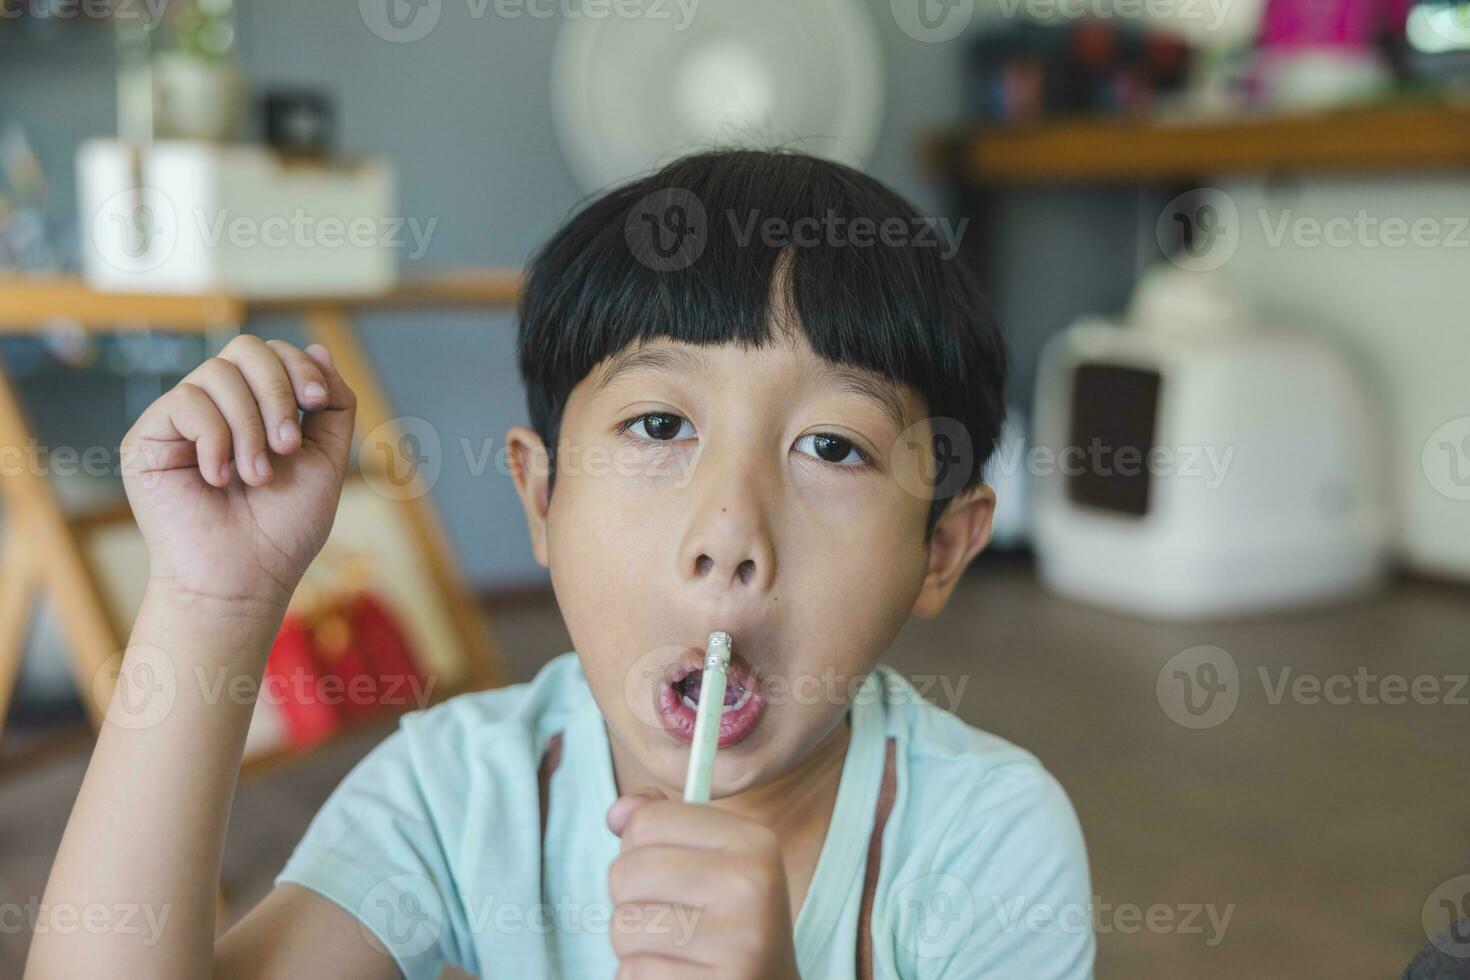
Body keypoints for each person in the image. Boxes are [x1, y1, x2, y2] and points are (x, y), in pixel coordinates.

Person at [28, 149, 1094, 979]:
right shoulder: (460, 794)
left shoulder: (986, 841)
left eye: (832, 446)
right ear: (541, 496)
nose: (728, 531)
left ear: (941, 549)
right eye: (660, 423)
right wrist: (213, 597)